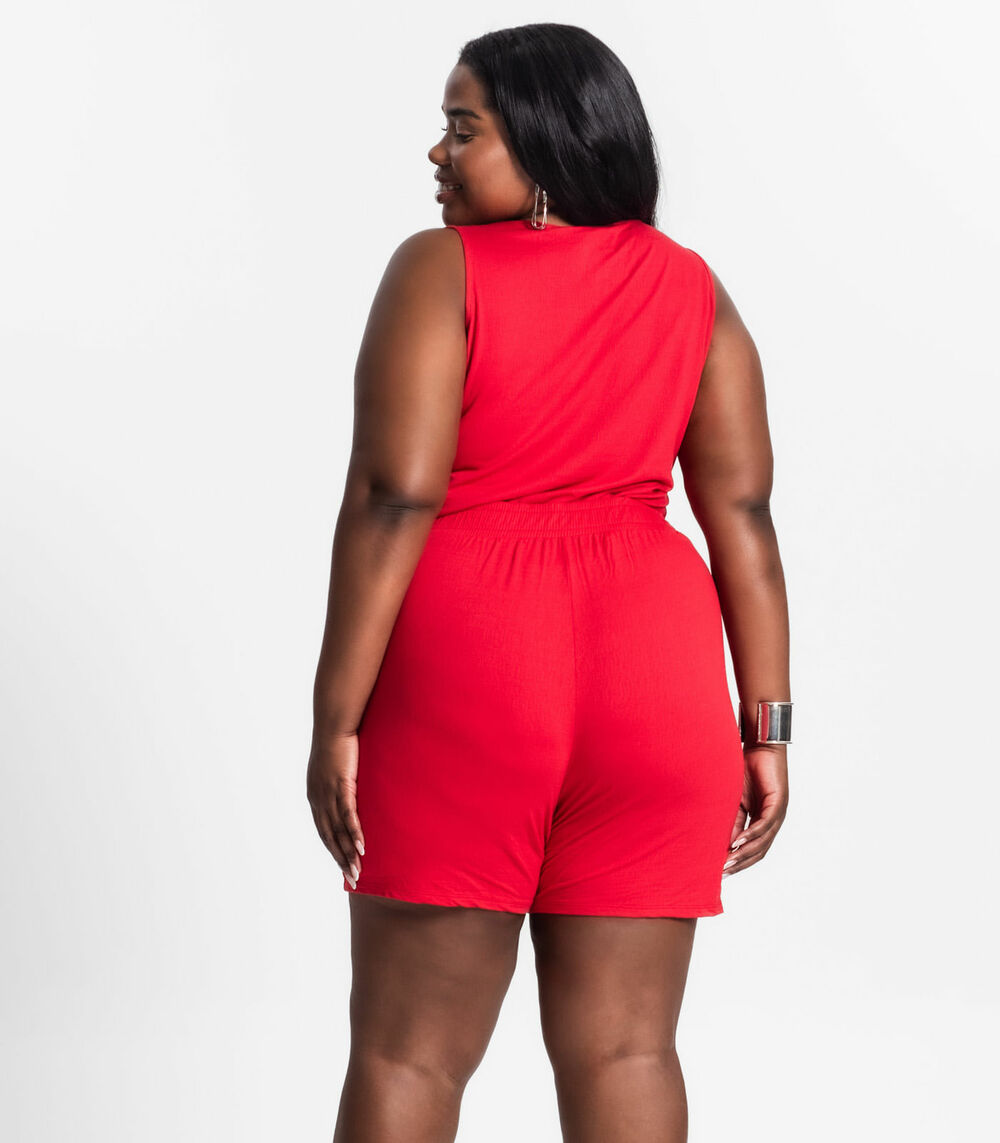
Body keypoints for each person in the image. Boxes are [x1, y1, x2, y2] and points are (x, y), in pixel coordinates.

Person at [306, 22, 791, 1143]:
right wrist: (766, 727)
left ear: (543, 143)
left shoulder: (440, 269)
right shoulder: (690, 286)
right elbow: (745, 516)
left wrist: (337, 716)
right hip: (657, 677)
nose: (437, 153)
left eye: (462, 128)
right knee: (629, 1049)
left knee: (408, 1055)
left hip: (473, 657)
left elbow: (394, 495)